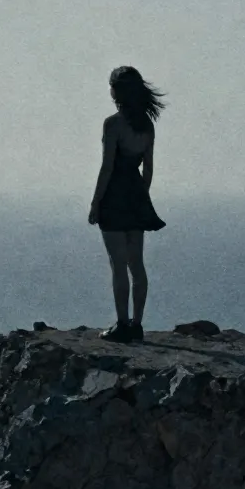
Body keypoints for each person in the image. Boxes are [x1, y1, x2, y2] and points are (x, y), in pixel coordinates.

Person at [87, 66, 167, 343]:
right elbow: (149, 169)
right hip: (136, 194)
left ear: (116, 91)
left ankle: (122, 324)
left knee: (118, 264)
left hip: (114, 196)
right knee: (137, 264)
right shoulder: (147, 125)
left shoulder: (113, 124)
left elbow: (107, 167)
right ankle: (137, 324)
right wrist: (141, 197)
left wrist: (96, 202)